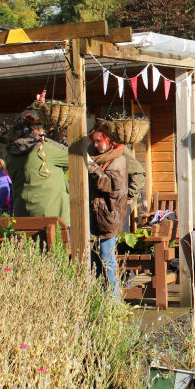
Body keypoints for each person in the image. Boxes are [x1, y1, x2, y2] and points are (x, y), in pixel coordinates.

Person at [7, 111, 71, 225]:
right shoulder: (44, 149)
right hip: (53, 218)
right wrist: (45, 139)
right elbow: (75, 158)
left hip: (23, 217)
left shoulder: (11, 153)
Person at [87, 126, 127, 298]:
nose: (96, 145)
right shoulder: (104, 159)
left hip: (109, 216)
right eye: (94, 141)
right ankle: (102, 300)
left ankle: (114, 304)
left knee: (107, 261)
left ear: (109, 140)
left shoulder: (118, 160)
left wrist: (91, 167)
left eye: (98, 140)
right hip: (99, 216)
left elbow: (108, 185)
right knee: (96, 261)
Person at [122, 145, 147, 231]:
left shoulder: (120, 150)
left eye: (98, 141)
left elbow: (139, 174)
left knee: (120, 238)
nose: (95, 144)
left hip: (122, 205)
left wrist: (129, 196)